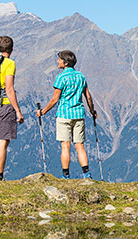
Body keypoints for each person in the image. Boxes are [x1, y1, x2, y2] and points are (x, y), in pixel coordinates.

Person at [36, 50, 97, 179]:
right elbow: (88, 97)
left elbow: (54, 99)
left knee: (65, 145)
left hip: (64, 114)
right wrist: (92, 111)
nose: (57, 61)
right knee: (80, 145)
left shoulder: (61, 78)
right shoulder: (81, 76)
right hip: (79, 114)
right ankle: (87, 174)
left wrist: (43, 112)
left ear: (65, 62)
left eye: (59, 59)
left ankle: (66, 175)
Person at [0, 36, 24, 181]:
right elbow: (9, 89)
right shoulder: (9, 64)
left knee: (0, 140)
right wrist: (17, 110)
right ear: (12, 49)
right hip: (4, 104)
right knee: (3, 141)